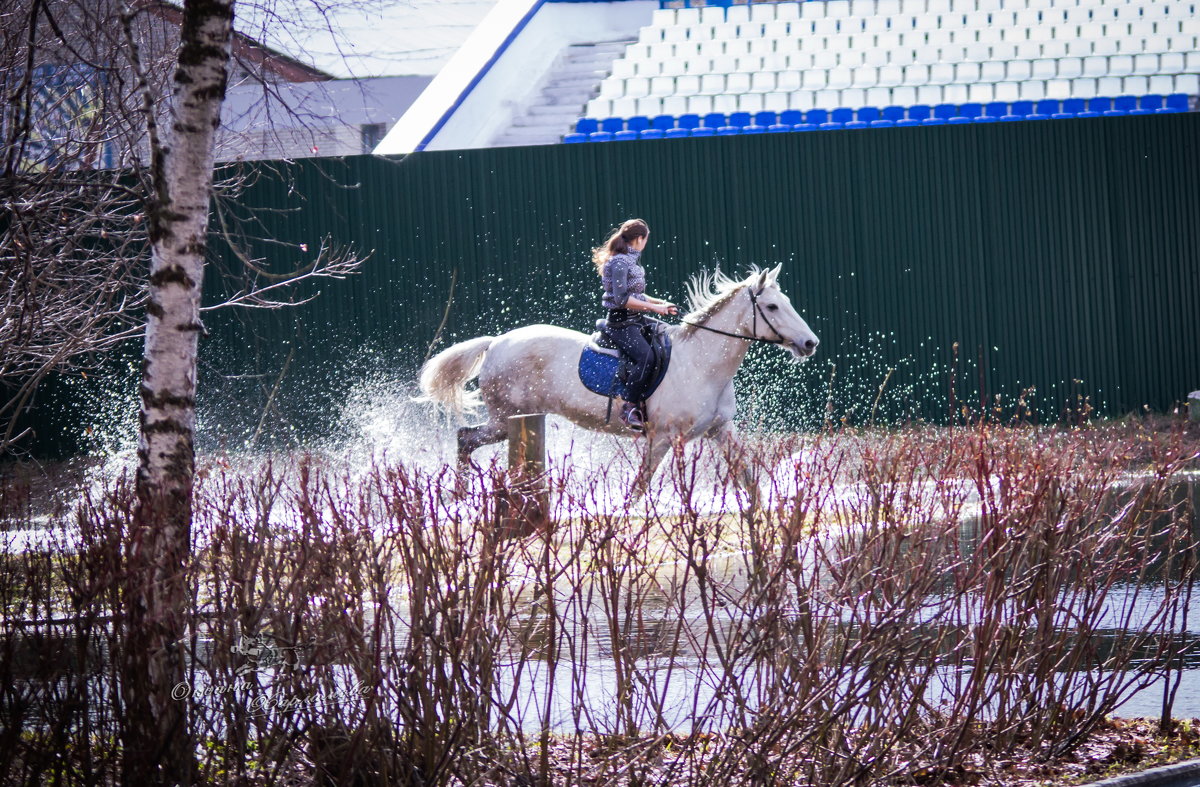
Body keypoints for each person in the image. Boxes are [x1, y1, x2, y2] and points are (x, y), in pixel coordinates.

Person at [592, 219, 678, 432]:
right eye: (646, 239)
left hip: (635, 318)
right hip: (621, 322)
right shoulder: (619, 262)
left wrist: (661, 304)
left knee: (664, 337)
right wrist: (654, 309)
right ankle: (629, 406)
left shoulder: (630, 261)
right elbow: (622, 299)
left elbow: (637, 294)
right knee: (646, 357)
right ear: (640, 239)